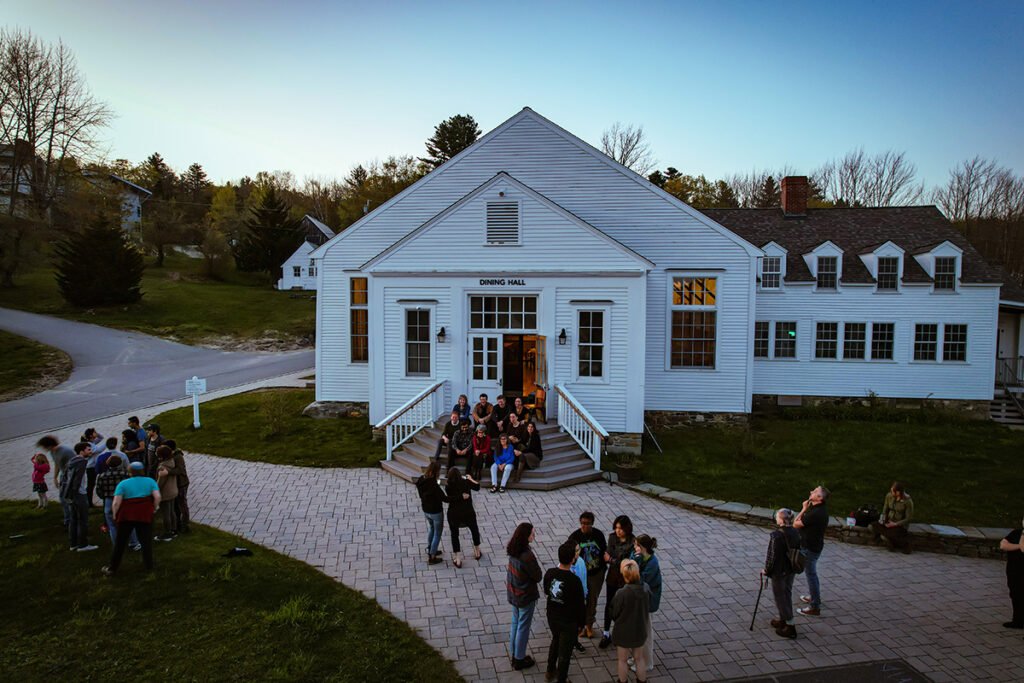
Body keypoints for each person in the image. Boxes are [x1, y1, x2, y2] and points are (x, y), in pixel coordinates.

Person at [101, 461, 160, 576]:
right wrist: (154, 508)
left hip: (126, 515)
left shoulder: (123, 484)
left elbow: (116, 502)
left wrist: (115, 514)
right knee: (146, 541)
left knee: (120, 542)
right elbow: (157, 496)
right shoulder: (150, 481)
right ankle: (149, 566)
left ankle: (112, 568)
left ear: (130, 472)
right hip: (144, 514)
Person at [543, 542, 586, 683]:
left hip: (552, 617)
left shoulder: (550, 573)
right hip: (568, 621)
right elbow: (580, 605)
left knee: (555, 640)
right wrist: (581, 623)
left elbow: (546, 590)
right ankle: (561, 679)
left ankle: (550, 671)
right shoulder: (574, 581)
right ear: (573, 559)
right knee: (565, 653)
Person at [506, 522, 542, 671]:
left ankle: (514, 653)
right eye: (532, 533)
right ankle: (519, 659)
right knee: (523, 627)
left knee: (515, 623)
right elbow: (538, 576)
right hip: (525, 596)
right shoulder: (527, 556)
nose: (534, 535)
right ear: (525, 536)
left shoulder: (513, 549)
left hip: (514, 593)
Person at [566, 511, 606, 638]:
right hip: (580, 574)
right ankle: (581, 625)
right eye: (582, 523)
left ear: (592, 524)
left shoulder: (598, 535)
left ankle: (589, 625)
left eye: (587, 523)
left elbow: (604, 552)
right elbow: (568, 554)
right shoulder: (574, 537)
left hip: (596, 573)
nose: (584, 526)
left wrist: (602, 570)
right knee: (579, 601)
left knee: (592, 600)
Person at [763, 508, 801, 639]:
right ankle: (783, 619)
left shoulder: (776, 535)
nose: (776, 518)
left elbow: (772, 556)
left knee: (780, 597)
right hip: (791, 569)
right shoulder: (795, 532)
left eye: (778, 517)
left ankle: (790, 626)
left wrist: (766, 570)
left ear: (782, 520)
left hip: (779, 571)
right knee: (787, 593)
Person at [611, 559, 650, 683]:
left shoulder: (622, 593)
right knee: (639, 658)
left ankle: (623, 681)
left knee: (622, 660)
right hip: (640, 629)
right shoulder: (645, 588)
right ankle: (642, 680)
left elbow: (614, 613)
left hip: (624, 631)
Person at [599, 515, 635, 649]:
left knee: (624, 606)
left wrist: (612, 560)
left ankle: (621, 632)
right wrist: (614, 560)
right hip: (613, 577)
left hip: (626, 578)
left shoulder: (633, 542)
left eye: (621, 528)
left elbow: (627, 563)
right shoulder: (612, 537)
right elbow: (607, 554)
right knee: (610, 604)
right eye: (616, 527)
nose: (618, 531)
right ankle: (606, 633)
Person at [794, 485, 830, 617]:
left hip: (810, 548)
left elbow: (795, 524)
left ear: (819, 498)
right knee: (812, 574)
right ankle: (814, 597)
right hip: (814, 546)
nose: (811, 492)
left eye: (814, 492)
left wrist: (803, 509)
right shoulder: (818, 509)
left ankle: (815, 606)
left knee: (811, 575)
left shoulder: (815, 513)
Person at [631, 534, 662, 673]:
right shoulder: (638, 556)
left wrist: (636, 561)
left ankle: (647, 662)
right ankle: (636, 657)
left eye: (636, 545)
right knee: (637, 631)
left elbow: (638, 579)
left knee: (646, 633)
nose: (634, 547)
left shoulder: (653, 563)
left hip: (647, 602)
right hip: (639, 599)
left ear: (642, 547)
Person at [96, 454, 138, 549]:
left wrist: (105, 497)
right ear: (120, 463)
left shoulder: (102, 476)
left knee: (112, 525)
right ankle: (134, 542)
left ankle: (117, 546)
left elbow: (98, 490)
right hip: (124, 500)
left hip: (109, 501)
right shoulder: (125, 474)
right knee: (129, 522)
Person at [61, 442, 99, 551]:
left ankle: (73, 544)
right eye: (88, 450)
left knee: (73, 519)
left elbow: (64, 477)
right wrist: (77, 492)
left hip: (70, 494)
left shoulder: (72, 461)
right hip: (79, 494)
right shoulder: (82, 462)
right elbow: (77, 480)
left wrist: (68, 494)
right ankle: (83, 545)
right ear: (81, 451)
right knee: (83, 520)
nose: (91, 451)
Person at [444, 466, 482, 568]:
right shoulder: (466, 482)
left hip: (454, 513)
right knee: (474, 530)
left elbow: (450, 498)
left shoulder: (448, 486)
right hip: (468, 512)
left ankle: (458, 559)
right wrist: (470, 479)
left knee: (454, 535)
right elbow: (477, 487)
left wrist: (459, 497)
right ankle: (477, 551)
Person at [36, 435, 74, 526]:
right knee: (63, 499)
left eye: (43, 446)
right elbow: (57, 464)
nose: (43, 449)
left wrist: (73, 480)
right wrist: (55, 477)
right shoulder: (52, 452)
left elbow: (77, 465)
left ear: (48, 445)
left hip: (72, 477)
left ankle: (74, 519)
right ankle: (68, 520)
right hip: (63, 476)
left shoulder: (66, 451)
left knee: (71, 499)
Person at [415, 461, 447, 565]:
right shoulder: (433, 485)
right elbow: (444, 498)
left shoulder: (421, 479)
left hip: (426, 510)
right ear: (436, 472)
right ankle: (432, 556)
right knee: (437, 533)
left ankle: (430, 548)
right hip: (436, 511)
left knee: (432, 528)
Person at [871, 481, 914, 553]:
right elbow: (885, 510)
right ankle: (888, 539)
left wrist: (895, 524)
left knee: (886, 534)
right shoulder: (889, 496)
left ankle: (897, 543)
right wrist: (883, 519)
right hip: (889, 521)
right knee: (872, 526)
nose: (891, 493)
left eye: (893, 491)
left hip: (899, 525)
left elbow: (908, 518)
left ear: (898, 492)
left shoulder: (908, 501)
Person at [999, 513, 1024, 629]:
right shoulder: (1015, 533)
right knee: (1015, 594)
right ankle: (1017, 620)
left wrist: (1018, 544)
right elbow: (1003, 545)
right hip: (1013, 570)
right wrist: (1018, 546)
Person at [163, 439, 191, 533]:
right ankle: (178, 523)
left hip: (182, 483)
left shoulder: (178, 457)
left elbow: (180, 470)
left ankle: (185, 525)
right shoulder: (172, 455)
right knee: (176, 505)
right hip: (177, 483)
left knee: (182, 504)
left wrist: (168, 472)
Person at [154, 445, 179, 541]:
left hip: (165, 493)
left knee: (166, 514)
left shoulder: (162, 467)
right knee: (172, 512)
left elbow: (160, 483)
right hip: (173, 491)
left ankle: (167, 533)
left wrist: (154, 491)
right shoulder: (171, 462)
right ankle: (174, 530)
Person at [83, 428, 105, 508]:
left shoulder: (92, 442)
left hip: (93, 466)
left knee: (92, 484)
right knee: (90, 485)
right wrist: (108, 443)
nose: (96, 433)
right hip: (90, 467)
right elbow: (98, 450)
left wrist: (96, 433)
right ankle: (88, 502)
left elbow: (101, 437)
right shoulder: (89, 444)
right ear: (90, 435)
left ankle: (88, 502)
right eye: (94, 432)